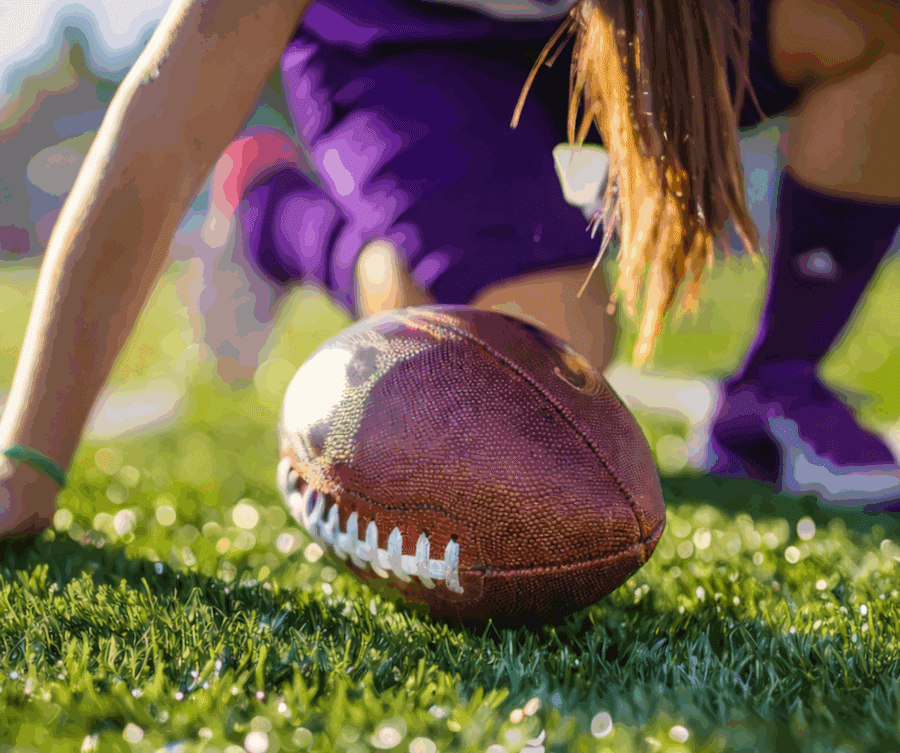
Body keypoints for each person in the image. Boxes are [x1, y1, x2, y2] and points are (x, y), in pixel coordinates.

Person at [1, 0, 899, 546]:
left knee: (870, 25)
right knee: (536, 363)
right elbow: (157, 143)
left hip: (611, 23)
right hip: (407, 41)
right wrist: (28, 457)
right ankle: (280, 216)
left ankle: (775, 396)